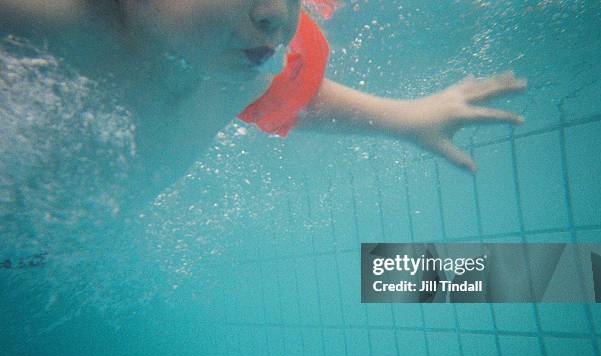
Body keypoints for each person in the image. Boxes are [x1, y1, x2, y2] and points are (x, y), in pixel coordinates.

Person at [0, 0, 526, 215]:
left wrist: (406, 118)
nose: (279, 15)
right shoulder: (46, 20)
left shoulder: (239, 72)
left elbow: (293, 94)